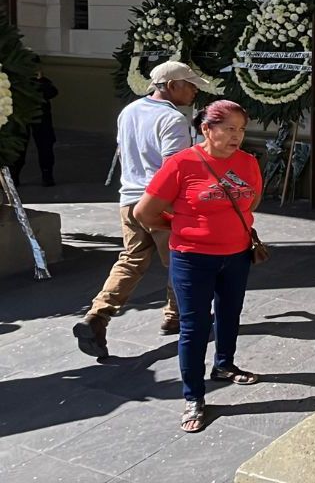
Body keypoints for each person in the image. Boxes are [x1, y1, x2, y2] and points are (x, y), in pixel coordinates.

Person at [134, 99, 262, 433]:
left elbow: (253, 200)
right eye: (229, 128)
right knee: (193, 326)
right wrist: (182, 226)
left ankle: (224, 365)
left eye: (241, 129)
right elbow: (144, 213)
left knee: (230, 312)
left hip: (236, 254)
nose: (237, 136)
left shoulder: (248, 162)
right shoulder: (182, 163)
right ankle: (194, 396)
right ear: (207, 128)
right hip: (192, 259)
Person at [73, 61, 203, 358]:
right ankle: (177, 316)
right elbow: (175, 169)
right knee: (181, 260)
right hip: (160, 202)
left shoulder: (128, 111)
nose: (195, 89)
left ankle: (97, 315)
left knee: (132, 259)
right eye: (190, 84)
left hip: (129, 198)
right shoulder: (173, 120)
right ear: (172, 86)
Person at [15, 57, 59, 187]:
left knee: (45, 145)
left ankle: (47, 175)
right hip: (23, 116)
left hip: (41, 117)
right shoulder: (18, 81)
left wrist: (40, 80)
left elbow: (52, 92)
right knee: (20, 147)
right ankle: (14, 174)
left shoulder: (43, 82)